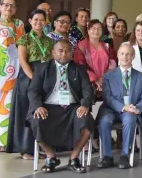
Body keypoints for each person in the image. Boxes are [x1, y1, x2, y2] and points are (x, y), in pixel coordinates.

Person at [28, 40, 94, 173]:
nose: (64, 54)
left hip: (72, 108)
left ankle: (74, 159)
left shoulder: (79, 69)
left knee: (86, 123)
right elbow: (33, 91)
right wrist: (38, 106)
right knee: (36, 120)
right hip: (48, 108)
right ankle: (51, 156)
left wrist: (85, 105)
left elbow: (88, 90)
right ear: (53, 53)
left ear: (72, 53)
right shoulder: (42, 68)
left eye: (68, 51)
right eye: (60, 50)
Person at [8, 9, 53, 160]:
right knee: (26, 112)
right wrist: (35, 79)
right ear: (30, 21)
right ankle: (25, 149)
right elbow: (23, 61)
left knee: (40, 112)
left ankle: (39, 147)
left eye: (42, 20)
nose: (39, 22)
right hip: (28, 78)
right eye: (36, 19)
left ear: (46, 22)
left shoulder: (49, 40)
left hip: (44, 76)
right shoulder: (24, 39)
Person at [95, 43, 142, 169]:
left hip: (131, 109)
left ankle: (125, 155)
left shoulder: (141, 77)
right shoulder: (108, 75)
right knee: (104, 122)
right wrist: (123, 107)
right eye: (122, 53)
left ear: (133, 56)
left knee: (130, 119)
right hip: (111, 109)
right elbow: (107, 97)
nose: (125, 57)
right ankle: (107, 156)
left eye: (128, 54)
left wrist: (137, 108)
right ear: (118, 55)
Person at [74, 19, 116, 95]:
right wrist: (95, 79)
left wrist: (103, 78)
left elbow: (112, 61)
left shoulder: (106, 46)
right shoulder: (81, 46)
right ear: (88, 30)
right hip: (87, 83)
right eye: (93, 28)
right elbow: (80, 64)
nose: (96, 31)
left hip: (106, 81)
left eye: (99, 28)